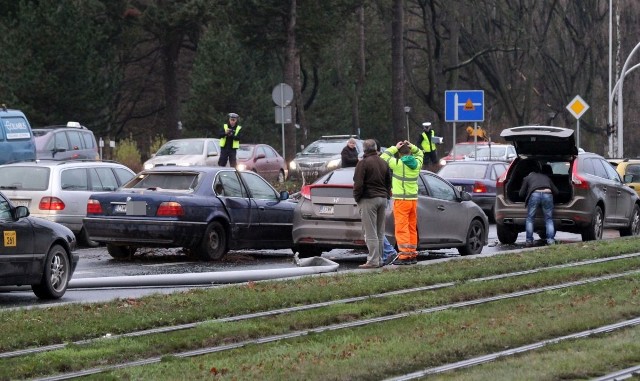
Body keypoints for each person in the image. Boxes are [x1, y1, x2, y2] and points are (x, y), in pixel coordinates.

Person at [381, 140, 424, 265]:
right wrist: (413, 147)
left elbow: (384, 156)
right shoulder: (417, 164)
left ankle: (404, 255)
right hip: (413, 200)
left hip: (401, 200)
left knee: (401, 227)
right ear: (410, 152)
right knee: (411, 227)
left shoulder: (398, 164)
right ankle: (412, 253)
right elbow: (420, 153)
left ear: (399, 154)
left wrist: (394, 147)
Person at [353, 139, 392, 269]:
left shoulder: (363, 163)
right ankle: (380, 259)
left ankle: (373, 260)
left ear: (364, 150)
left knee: (370, 232)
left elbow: (358, 184)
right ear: (376, 148)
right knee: (380, 232)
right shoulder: (383, 162)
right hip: (382, 199)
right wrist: (386, 195)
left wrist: (357, 198)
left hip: (368, 199)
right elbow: (388, 182)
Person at [518, 162, 559, 246]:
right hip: (548, 194)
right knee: (548, 219)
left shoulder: (527, 178)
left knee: (530, 218)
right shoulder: (546, 177)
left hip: (534, 194)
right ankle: (551, 241)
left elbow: (521, 194)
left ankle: (529, 241)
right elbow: (556, 192)